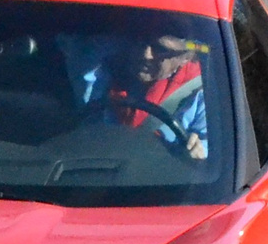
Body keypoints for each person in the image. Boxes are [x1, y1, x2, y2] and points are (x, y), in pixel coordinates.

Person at [56, 32, 209, 159]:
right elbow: (80, 50)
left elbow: (213, 149)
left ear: (186, 58)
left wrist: (199, 152)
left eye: (160, 49)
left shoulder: (203, 92)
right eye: (141, 42)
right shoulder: (103, 68)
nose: (146, 55)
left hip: (160, 186)